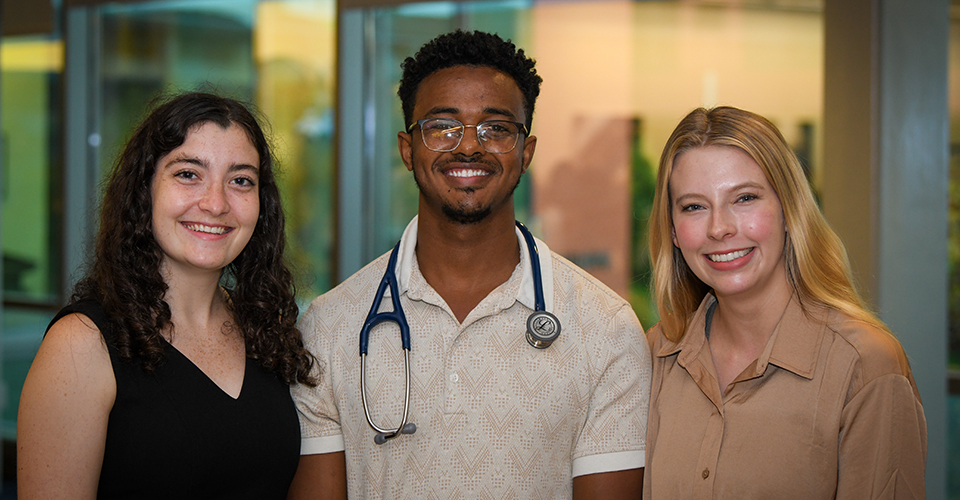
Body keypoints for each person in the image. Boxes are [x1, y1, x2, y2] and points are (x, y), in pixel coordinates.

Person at [288, 30, 650, 499]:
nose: (468, 147)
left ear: (526, 153)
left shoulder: (607, 331)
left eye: (496, 129)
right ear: (407, 149)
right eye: (442, 126)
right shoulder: (331, 327)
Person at [17, 91, 316, 499]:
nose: (215, 203)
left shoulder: (265, 331)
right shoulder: (82, 343)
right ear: (145, 191)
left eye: (240, 180)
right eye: (188, 174)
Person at [644, 106, 927, 498]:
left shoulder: (865, 366)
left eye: (744, 198)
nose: (719, 228)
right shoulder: (656, 351)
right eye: (694, 206)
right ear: (673, 231)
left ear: (789, 210)